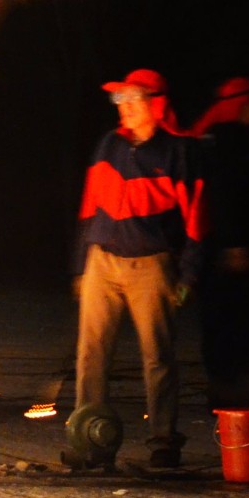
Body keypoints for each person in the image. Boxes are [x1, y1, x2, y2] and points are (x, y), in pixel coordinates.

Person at [71, 67, 206, 470]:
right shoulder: (109, 144)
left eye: (133, 99)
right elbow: (88, 206)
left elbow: (197, 219)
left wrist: (187, 276)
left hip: (152, 265)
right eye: (119, 99)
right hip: (103, 261)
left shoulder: (177, 153)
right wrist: (81, 265)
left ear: (156, 104)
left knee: (158, 357)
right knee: (91, 354)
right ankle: (87, 438)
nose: (123, 107)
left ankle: (163, 440)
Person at [190, 77, 249, 407]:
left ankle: (227, 385)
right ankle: (227, 388)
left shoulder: (213, 139)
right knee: (234, 313)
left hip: (216, 244)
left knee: (226, 314)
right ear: (242, 104)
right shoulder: (229, 141)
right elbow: (225, 195)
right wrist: (235, 243)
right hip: (226, 247)